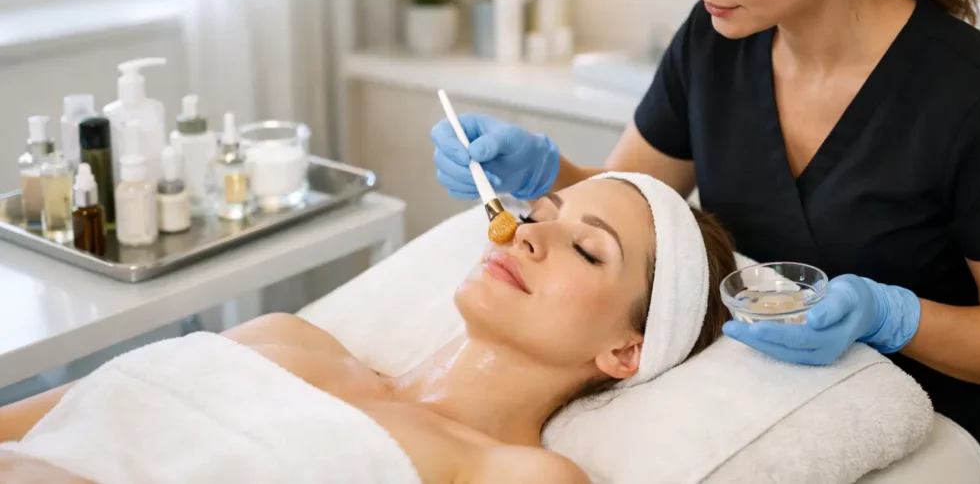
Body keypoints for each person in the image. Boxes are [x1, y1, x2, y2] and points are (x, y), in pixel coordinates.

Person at [431, 0, 980, 479]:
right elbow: (631, 203)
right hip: (759, 410)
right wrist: (544, 173)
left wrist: (894, 316)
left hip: (937, 443)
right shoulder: (715, 42)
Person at [0, 174, 735, 484]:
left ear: (624, 349)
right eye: (539, 212)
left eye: (587, 247)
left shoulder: (513, 471)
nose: (525, 234)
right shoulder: (285, 335)